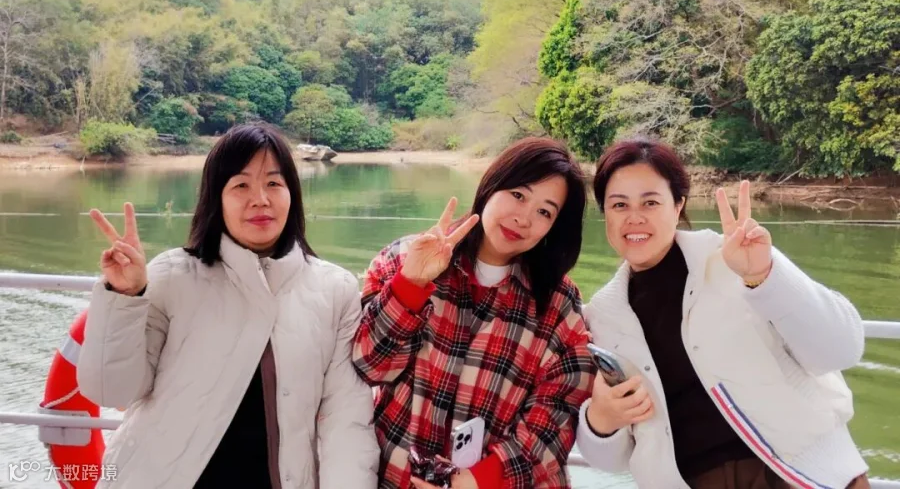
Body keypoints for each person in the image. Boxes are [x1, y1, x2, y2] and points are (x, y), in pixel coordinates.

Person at [77, 123, 379, 489]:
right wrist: (124, 296)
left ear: (292, 194)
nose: (260, 199)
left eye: (273, 183)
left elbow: (346, 420)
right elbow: (111, 391)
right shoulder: (172, 277)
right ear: (215, 198)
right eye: (240, 185)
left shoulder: (334, 290)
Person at [575, 137, 870, 489]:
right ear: (605, 214)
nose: (634, 217)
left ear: (678, 205)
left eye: (650, 202)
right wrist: (601, 420)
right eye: (619, 204)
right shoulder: (603, 316)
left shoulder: (736, 259)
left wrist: (766, 277)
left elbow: (842, 349)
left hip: (803, 474)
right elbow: (610, 460)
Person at [352, 137, 594, 489]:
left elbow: (556, 415)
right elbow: (369, 366)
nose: (523, 218)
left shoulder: (559, 304)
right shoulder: (406, 258)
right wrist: (411, 284)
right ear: (492, 184)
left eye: (545, 212)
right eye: (518, 195)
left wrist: (477, 481)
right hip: (396, 478)